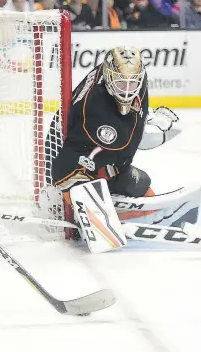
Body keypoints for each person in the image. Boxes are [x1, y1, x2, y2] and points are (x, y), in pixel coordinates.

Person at [48, 47, 183, 247]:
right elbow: (68, 164)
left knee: (145, 189)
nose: (127, 90)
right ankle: (58, 204)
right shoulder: (98, 114)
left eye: (132, 84)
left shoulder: (126, 75)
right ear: (109, 77)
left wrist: (145, 116)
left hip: (94, 154)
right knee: (104, 212)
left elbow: (125, 128)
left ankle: (113, 211)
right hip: (71, 168)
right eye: (121, 83)